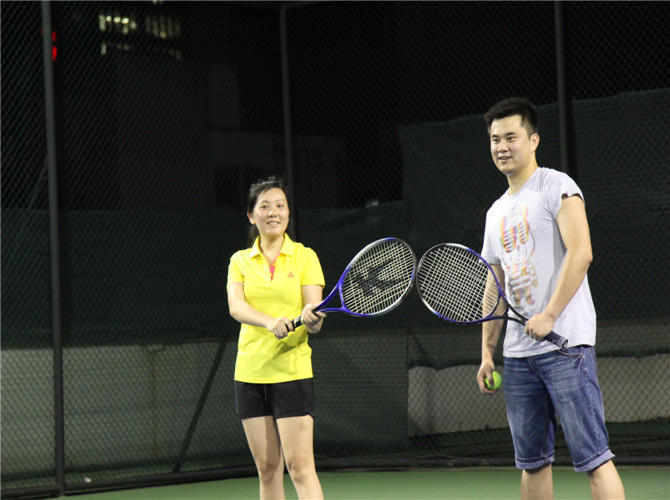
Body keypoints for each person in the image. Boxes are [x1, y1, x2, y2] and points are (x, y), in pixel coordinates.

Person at [476, 97, 625, 500]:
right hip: (518, 358)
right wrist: (487, 352)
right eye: (495, 139)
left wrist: (550, 315)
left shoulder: (557, 186)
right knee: (532, 464)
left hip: (565, 347)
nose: (502, 147)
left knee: (595, 458)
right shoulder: (495, 213)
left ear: (533, 140)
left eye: (511, 137)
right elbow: (495, 284)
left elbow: (582, 253)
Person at [227, 175, 326, 500]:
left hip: (291, 372)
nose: (273, 212)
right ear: (251, 216)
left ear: (288, 213)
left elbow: (314, 317)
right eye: (265, 206)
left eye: (280, 206)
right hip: (250, 374)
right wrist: (270, 322)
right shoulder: (239, 261)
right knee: (268, 469)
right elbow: (236, 307)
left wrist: (311, 318)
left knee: (300, 467)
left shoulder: (305, 257)